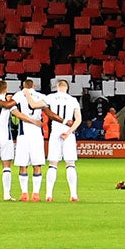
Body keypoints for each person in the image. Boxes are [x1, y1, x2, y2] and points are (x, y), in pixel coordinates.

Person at [44, 75, 81, 203]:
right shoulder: (73, 100)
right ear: (67, 88)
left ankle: (49, 194)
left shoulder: (50, 97)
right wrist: (69, 132)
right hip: (68, 133)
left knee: (53, 164)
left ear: (57, 87)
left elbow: (38, 105)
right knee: (70, 164)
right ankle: (73, 194)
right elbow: (79, 119)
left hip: (55, 132)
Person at [12, 81, 49, 201]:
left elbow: (13, 110)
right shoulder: (42, 96)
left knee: (23, 165)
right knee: (37, 164)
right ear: (34, 86)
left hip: (23, 134)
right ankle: (36, 194)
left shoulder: (18, 95)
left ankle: (24, 194)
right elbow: (48, 112)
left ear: (23, 87)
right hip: (37, 134)